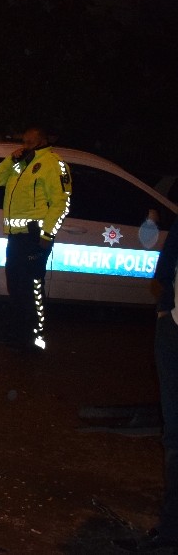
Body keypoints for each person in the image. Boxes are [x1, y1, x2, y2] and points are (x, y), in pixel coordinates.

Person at [116, 229, 178, 551]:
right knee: (174, 437)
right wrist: (165, 312)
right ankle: (171, 529)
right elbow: (166, 270)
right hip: (175, 329)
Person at [0, 127, 72, 351]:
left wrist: (48, 234)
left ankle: (35, 337)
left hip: (35, 237)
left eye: (30, 141)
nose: (26, 145)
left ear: (42, 141)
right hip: (15, 238)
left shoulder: (53, 164)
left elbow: (61, 203)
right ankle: (17, 333)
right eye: (24, 141)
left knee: (32, 288)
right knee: (15, 286)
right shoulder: (20, 164)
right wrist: (11, 159)